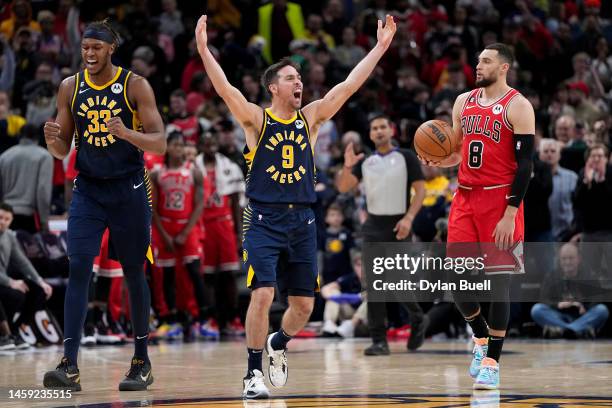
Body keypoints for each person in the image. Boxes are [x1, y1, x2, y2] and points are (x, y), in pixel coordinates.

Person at [195, 13, 396, 399]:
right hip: (264, 219)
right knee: (263, 294)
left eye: (300, 78)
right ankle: (253, 373)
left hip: (303, 220)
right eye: (290, 78)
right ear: (273, 87)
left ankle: (278, 342)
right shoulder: (256, 120)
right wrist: (204, 50)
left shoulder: (311, 119)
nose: (299, 82)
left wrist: (380, 47)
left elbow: (349, 86)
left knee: (304, 306)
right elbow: (224, 90)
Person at [42, 19, 165, 392]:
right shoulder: (69, 87)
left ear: (111, 49)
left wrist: (127, 133)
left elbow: (159, 142)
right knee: (79, 266)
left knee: (133, 272)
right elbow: (64, 148)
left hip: (128, 191)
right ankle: (69, 364)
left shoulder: (135, 85)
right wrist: (53, 143)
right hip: (89, 191)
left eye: (96, 48)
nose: (89, 54)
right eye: (85, 48)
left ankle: (141, 360)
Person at [420, 43, 535, 390]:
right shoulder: (463, 101)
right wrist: (440, 160)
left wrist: (510, 213)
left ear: (504, 68)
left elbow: (526, 165)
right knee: (456, 279)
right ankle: (481, 336)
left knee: (498, 282)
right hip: (465, 198)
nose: (478, 64)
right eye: (478, 59)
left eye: (485, 61)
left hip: (501, 201)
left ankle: (492, 362)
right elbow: (459, 151)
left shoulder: (518, 106)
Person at [336, 114, 427, 355]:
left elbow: (420, 190)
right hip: (373, 226)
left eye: (383, 127)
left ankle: (417, 317)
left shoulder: (406, 156)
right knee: (374, 285)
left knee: (398, 282)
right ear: (370, 134)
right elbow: (343, 187)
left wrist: (409, 218)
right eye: (374, 128)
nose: (378, 131)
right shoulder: (364, 161)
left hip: (399, 224)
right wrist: (346, 166)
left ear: (391, 130)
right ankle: (379, 340)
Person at [150, 130, 206, 336]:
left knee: (194, 272)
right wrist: (164, 234)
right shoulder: (156, 173)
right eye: (174, 145)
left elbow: (200, 204)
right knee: (168, 275)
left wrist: (186, 231)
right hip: (165, 226)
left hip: (186, 226)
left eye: (181, 145)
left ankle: (203, 319)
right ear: (167, 147)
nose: (178, 149)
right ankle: (171, 319)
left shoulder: (194, 171)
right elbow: (153, 208)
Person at [0, 202, 53, 349]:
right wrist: (10, 282)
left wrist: (40, 281)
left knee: (38, 291)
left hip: (3, 281)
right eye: (0, 217)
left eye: (6, 219)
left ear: (11, 221)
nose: (2, 222)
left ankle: (15, 332)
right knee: (15, 294)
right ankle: (4, 335)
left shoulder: (10, 236)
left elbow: (23, 262)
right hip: (3, 282)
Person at [531, 243, 609, 339]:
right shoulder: (551, 276)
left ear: (578, 259)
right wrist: (558, 304)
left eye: (571, 258)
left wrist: (582, 306)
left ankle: (563, 330)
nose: (567, 262)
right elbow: (543, 299)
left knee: (602, 310)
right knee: (537, 310)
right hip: (559, 316)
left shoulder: (589, 275)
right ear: (559, 260)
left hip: (582, 317)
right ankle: (576, 330)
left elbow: (597, 299)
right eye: (564, 259)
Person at [0, 123, 53, 233]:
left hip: (5, 216)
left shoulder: (4, 156)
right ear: (38, 138)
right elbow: (43, 190)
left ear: (19, 136)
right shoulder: (44, 156)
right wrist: (44, 220)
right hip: (29, 217)